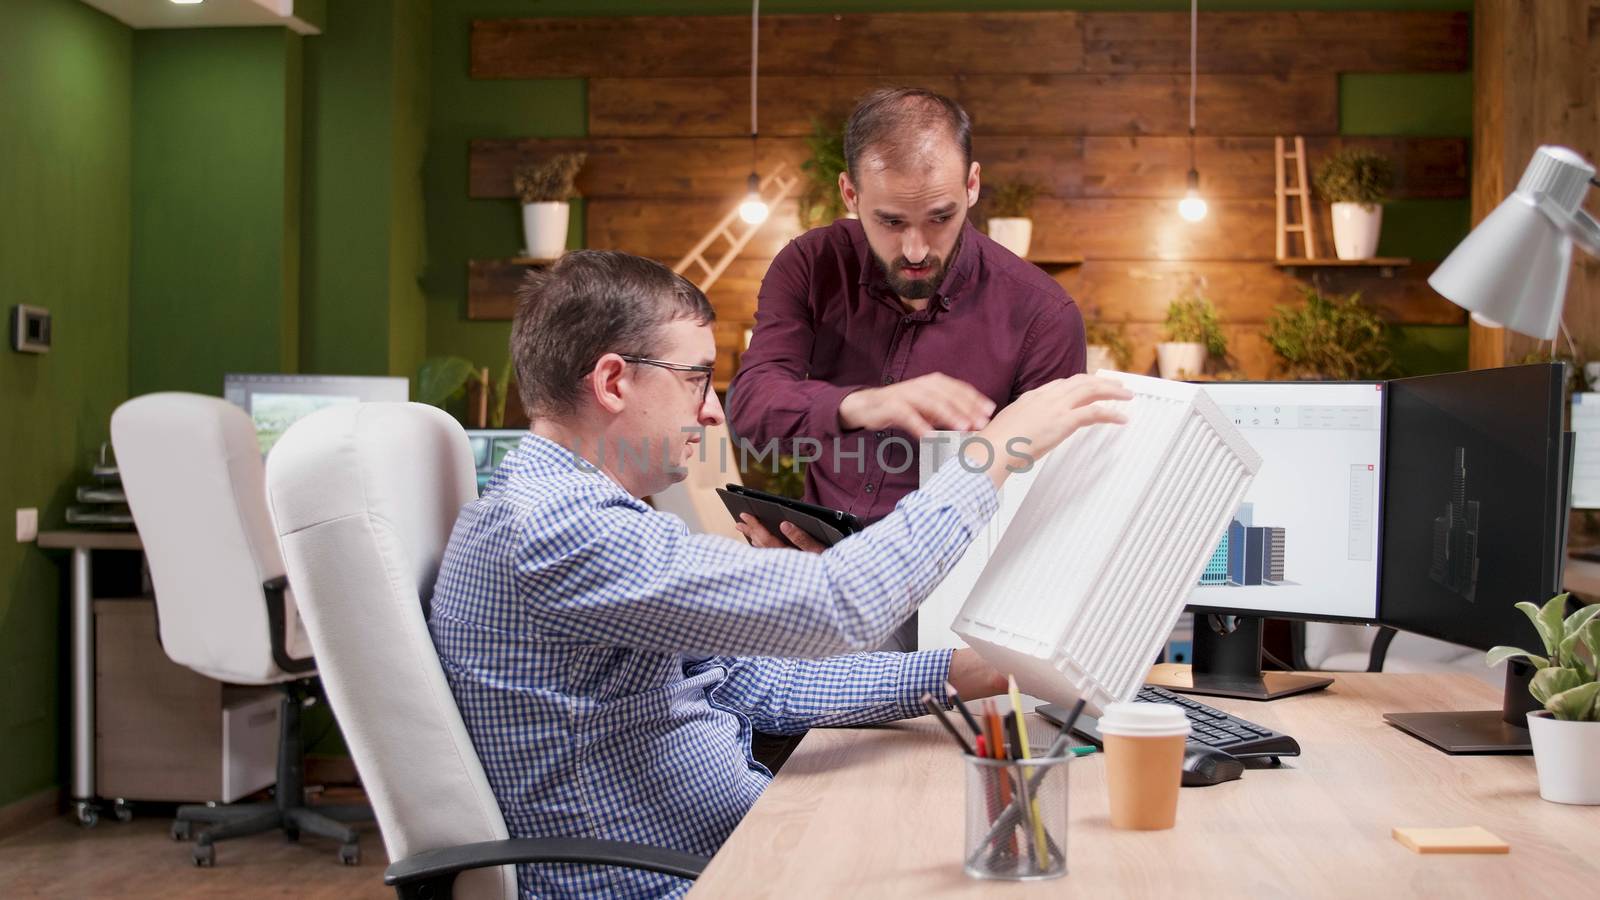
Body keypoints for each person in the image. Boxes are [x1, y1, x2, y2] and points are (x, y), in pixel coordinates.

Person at [428, 250, 1128, 899]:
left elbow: (753, 679)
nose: (712, 408)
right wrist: (991, 457)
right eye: (697, 377)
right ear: (613, 380)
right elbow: (839, 602)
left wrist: (973, 670)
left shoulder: (585, 516)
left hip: (737, 852)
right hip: (677, 884)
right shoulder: (559, 530)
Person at [728, 87, 1088, 650]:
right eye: (891, 221)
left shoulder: (1043, 315)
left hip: (952, 599)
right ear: (850, 192)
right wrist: (861, 404)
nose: (916, 250)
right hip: (815, 575)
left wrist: (872, 577)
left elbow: (1049, 508)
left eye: (940, 217)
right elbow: (750, 410)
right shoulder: (811, 264)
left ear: (972, 185)